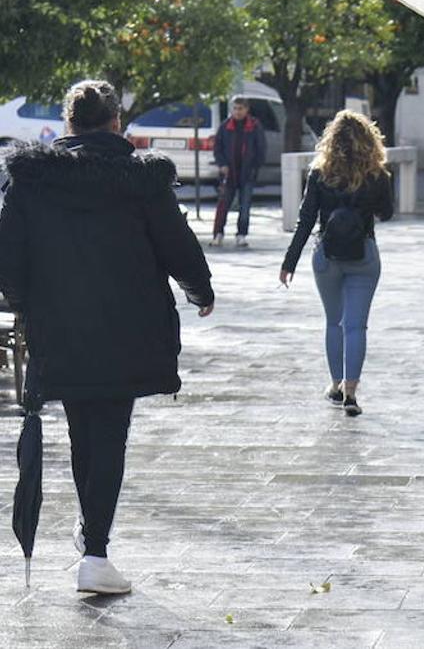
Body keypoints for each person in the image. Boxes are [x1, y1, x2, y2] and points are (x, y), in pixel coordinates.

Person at [0, 80, 214, 594]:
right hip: (129, 323)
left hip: (59, 323)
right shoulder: (140, 178)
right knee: (110, 430)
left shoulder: (30, 179)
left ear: (69, 123)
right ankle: (94, 550)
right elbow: (175, 242)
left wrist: (23, 302)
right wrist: (199, 288)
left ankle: (91, 534)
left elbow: (8, 251)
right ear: (116, 122)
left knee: (82, 426)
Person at [280, 111, 393, 418]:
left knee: (334, 322)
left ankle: (335, 385)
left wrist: (288, 262)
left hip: (326, 256)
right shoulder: (377, 174)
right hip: (364, 255)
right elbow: (387, 213)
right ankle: (352, 393)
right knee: (356, 325)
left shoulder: (319, 173)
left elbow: (305, 221)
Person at [210, 96, 266, 248]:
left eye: (240, 108)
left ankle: (241, 235)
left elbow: (261, 149)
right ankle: (218, 234)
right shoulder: (225, 126)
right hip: (229, 173)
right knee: (223, 205)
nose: (237, 112)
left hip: (247, 173)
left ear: (247, 109)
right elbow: (218, 148)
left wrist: (255, 167)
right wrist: (222, 164)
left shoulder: (254, 126)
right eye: (235, 108)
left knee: (245, 206)